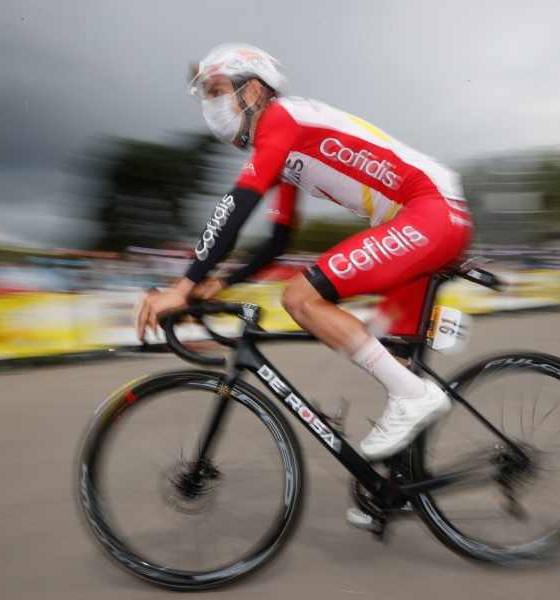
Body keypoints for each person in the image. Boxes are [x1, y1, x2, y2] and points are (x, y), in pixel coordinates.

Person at [136, 43, 472, 465]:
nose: (211, 104)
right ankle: (394, 490)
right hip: (419, 218)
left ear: (254, 92)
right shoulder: (291, 147)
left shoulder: (282, 120)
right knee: (394, 358)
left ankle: (414, 397)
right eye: (206, 95)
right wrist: (219, 282)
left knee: (299, 298)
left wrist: (182, 287)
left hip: (430, 212)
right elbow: (277, 241)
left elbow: (236, 205)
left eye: (217, 90)